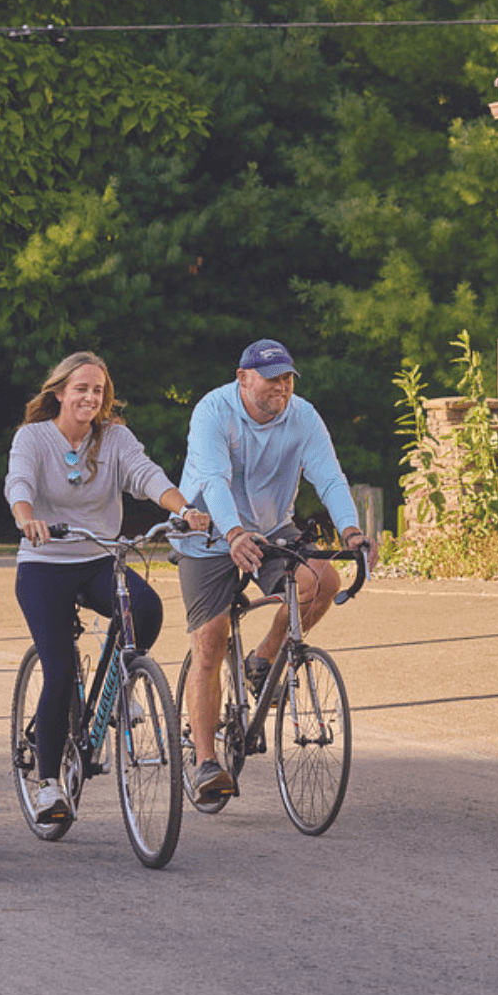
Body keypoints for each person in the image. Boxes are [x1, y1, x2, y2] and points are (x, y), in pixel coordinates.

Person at [4, 350, 208, 823]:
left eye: (98, 391)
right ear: (58, 393)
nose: (91, 398)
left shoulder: (114, 438)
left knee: (147, 608)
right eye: (81, 389)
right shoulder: (33, 438)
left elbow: (146, 475)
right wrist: (27, 518)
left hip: (99, 558)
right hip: (45, 563)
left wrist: (179, 509)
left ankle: (120, 683)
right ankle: (50, 785)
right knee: (57, 671)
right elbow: (19, 483)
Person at [170, 338, 376, 804]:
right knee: (210, 639)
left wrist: (351, 531)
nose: (281, 388)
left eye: (287, 378)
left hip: (269, 526)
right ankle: (206, 762)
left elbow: (328, 474)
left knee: (323, 579)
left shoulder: (302, 415)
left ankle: (261, 661)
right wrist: (234, 534)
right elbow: (214, 481)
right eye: (271, 379)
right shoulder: (212, 411)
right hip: (207, 533)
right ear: (243, 378)